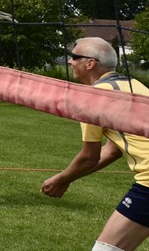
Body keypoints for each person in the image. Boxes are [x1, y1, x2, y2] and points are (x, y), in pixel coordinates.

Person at [41, 37, 149, 251]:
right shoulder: (135, 84)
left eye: (74, 57)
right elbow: (112, 151)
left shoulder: (93, 98)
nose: (70, 62)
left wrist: (62, 179)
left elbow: (89, 157)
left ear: (90, 63)